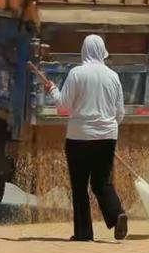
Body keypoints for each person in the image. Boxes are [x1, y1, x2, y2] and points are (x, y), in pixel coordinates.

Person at [45, 34, 128, 241]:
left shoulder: (76, 74)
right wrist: (106, 130)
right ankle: (117, 214)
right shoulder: (113, 77)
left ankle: (83, 233)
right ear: (102, 52)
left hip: (78, 137)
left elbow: (63, 106)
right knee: (102, 183)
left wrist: (52, 90)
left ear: (84, 50)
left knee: (80, 186)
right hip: (107, 136)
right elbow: (120, 114)